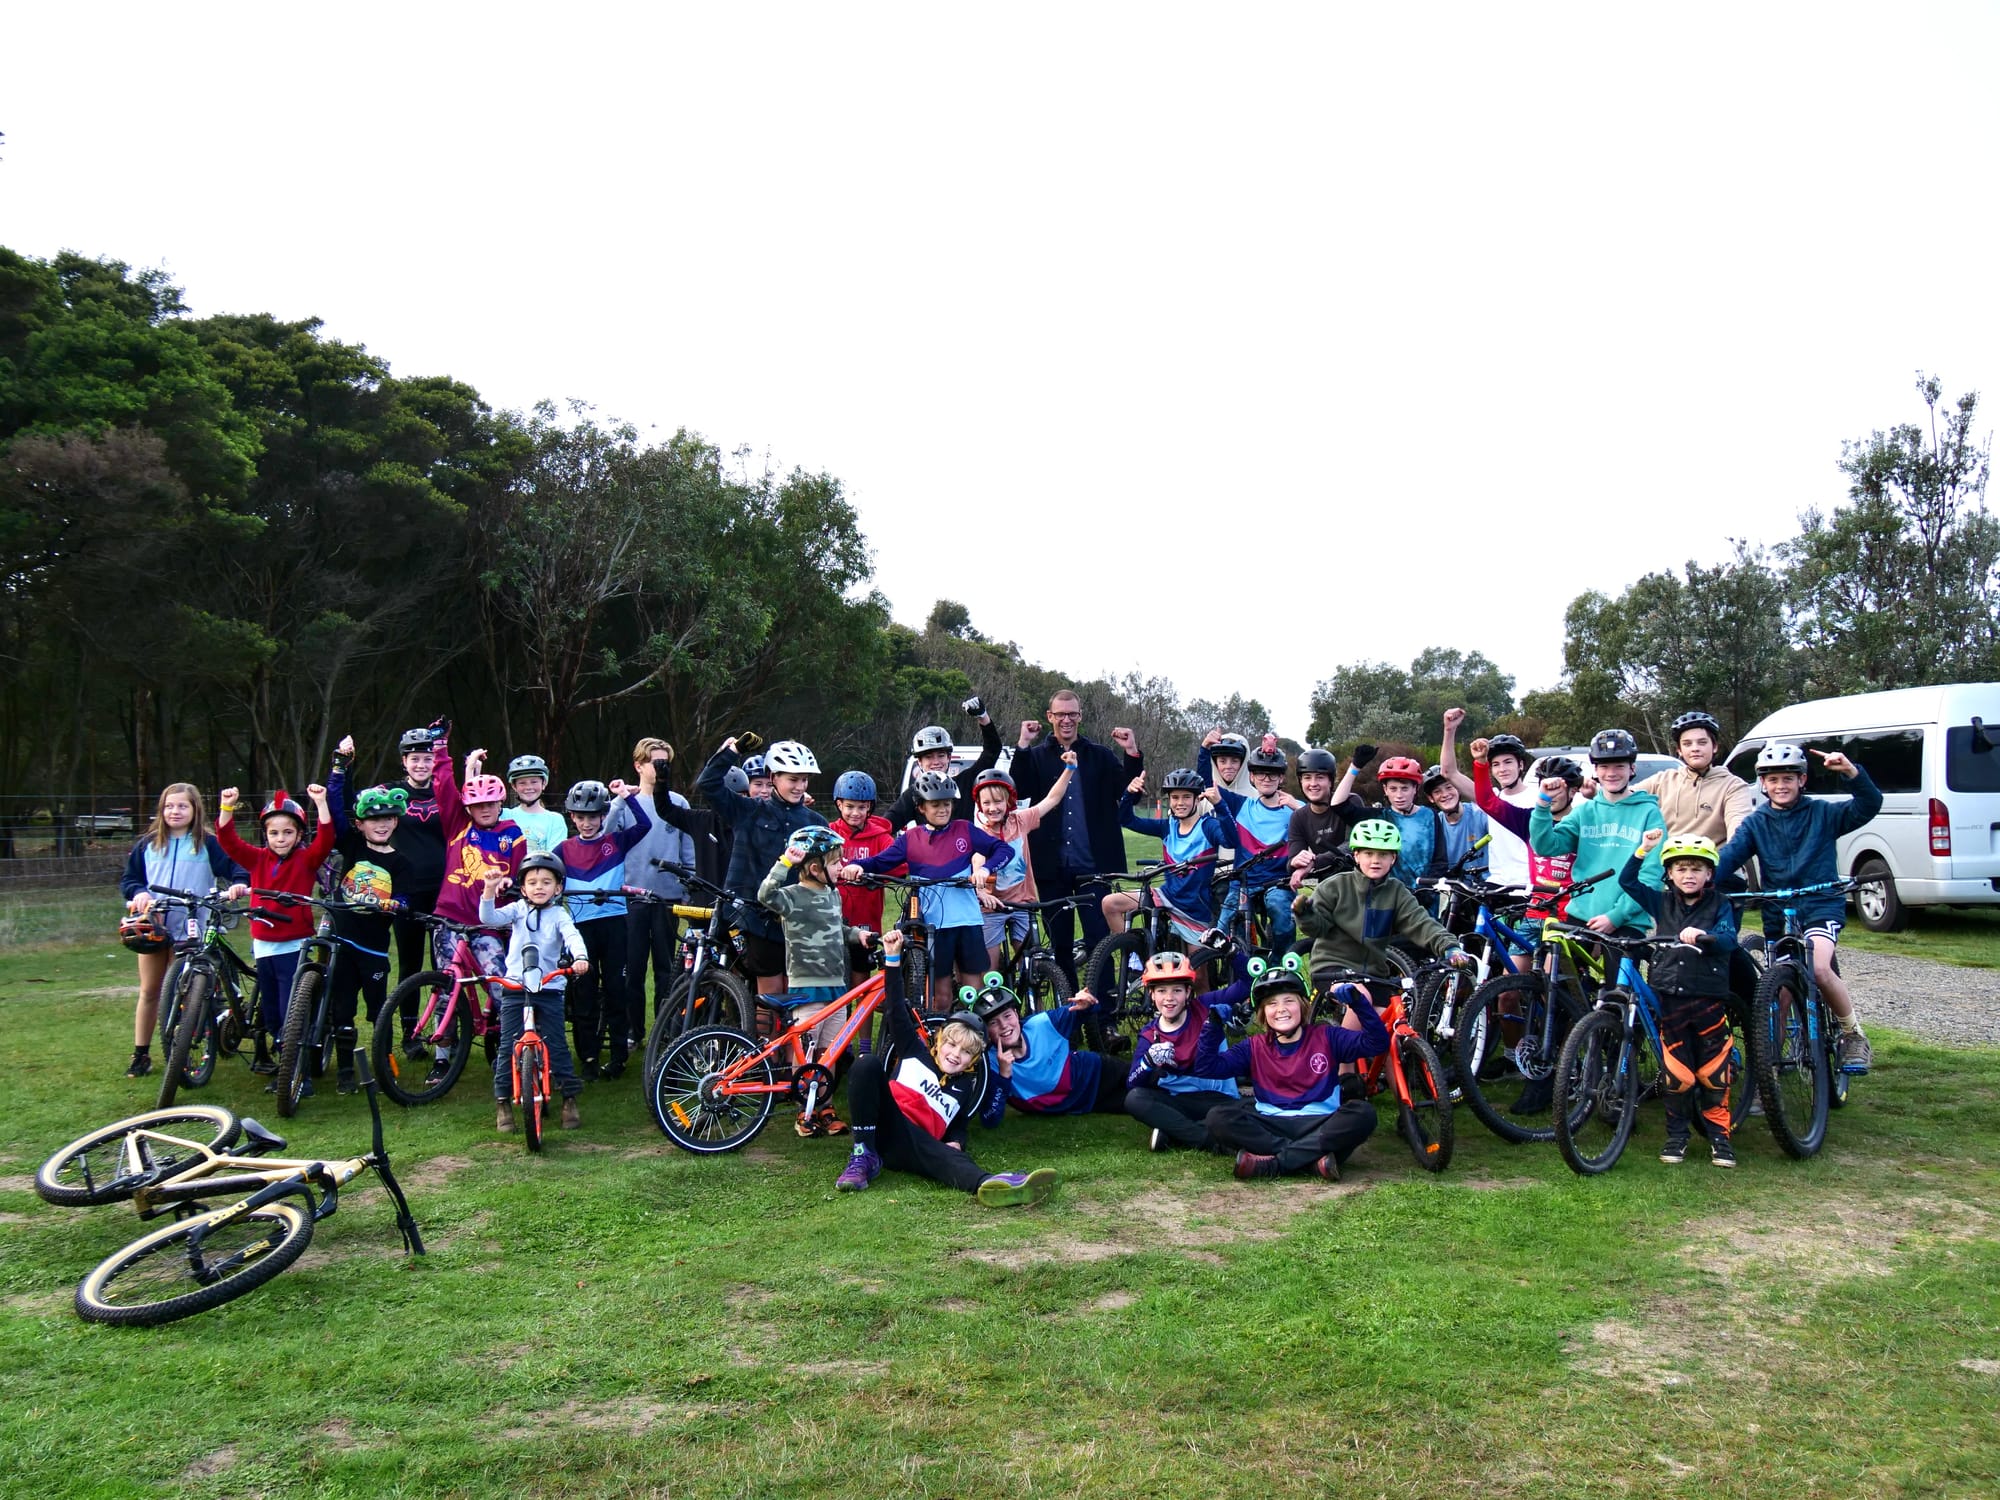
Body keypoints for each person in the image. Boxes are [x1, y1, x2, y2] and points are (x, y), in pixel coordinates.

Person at [833, 928, 1057, 1207]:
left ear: (974, 1061)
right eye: (951, 1046)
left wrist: (957, 1141)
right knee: (867, 1064)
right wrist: (892, 960)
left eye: (965, 1053)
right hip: (883, 1123)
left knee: (947, 1153)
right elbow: (895, 1011)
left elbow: (966, 1123)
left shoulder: (965, 1088)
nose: (955, 1055)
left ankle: (992, 1185)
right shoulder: (915, 1053)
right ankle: (862, 1154)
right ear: (939, 1043)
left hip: (914, 1148)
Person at [1716, 743, 1883, 1073]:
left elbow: (1868, 805)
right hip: (1778, 911)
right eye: (1773, 779)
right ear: (1762, 784)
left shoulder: (1823, 812)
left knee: (1820, 969)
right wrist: (1698, 881)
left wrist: (1851, 772)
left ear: (1802, 780)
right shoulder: (1756, 823)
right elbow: (1729, 857)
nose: (1780, 786)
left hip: (1820, 905)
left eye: (1788, 779)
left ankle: (1852, 1034)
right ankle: (1768, 1073)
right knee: (1777, 993)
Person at [1292, 819, 1470, 1086]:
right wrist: (1304, 913)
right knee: (1358, 994)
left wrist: (1449, 946)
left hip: (1374, 973)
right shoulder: (1335, 886)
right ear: (1356, 856)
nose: (1375, 860)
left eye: (1383, 854)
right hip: (1333, 967)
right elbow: (1317, 927)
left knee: (1393, 1034)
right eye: (1368, 853)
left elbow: (1421, 923)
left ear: (1393, 858)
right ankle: (1344, 1072)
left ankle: (1406, 1108)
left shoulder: (1397, 892)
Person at [1180, 952, 1388, 1180]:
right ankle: (1310, 1160)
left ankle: (1275, 1164)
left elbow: (1376, 1043)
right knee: (1218, 1117)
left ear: (1302, 1005)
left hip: (1319, 1121)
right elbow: (1208, 1068)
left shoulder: (1327, 1036)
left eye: (1289, 1001)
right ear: (1263, 1013)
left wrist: (1359, 1005)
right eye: (1271, 1004)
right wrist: (1213, 1026)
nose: (1281, 1009)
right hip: (1271, 1123)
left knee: (1363, 1114)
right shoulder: (1254, 1046)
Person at [1008, 690, 1144, 986]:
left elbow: (1128, 794)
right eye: (1060, 714)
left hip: (1093, 867)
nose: (1066, 720)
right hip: (1050, 868)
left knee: (1100, 942)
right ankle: (1067, 1008)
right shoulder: (1037, 757)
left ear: (1080, 716)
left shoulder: (1100, 756)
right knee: (1060, 946)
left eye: (1072, 714)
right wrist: (1022, 744)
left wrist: (1131, 753)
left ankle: (1103, 1017)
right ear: (1050, 717)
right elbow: (1018, 786)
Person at [1622, 830, 1742, 1166]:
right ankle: (1677, 1137)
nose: (1688, 875)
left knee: (1714, 1073)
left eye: (1696, 869)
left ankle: (1721, 1139)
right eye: (1681, 869)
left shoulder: (1721, 904)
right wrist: (1643, 849)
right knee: (1678, 1076)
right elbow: (1628, 882)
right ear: (1669, 874)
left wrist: (1705, 937)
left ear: (1708, 874)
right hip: (1670, 997)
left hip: (1707, 997)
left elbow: (1729, 939)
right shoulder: (1661, 901)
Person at [839, 769, 1005, 1005]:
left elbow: (1003, 850)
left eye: (947, 804)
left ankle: (975, 1038)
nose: (943, 809)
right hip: (934, 926)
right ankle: (941, 1039)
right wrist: (856, 866)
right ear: (921, 808)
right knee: (942, 996)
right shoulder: (911, 838)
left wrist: (985, 870)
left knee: (974, 994)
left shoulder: (964, 830)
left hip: (968, 922)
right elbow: (879, 862)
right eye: (935, 804)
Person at [117, 783, 247, 1078]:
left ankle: (187, 1047)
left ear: (195, 810)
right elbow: (130, 880)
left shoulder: (208, 844)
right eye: (169, 806)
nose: (175, 811)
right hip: (154, 925)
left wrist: (238, 884)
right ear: (161, 810)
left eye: (182, 806)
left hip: (192, 926)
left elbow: (236, 867)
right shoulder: (147, 844)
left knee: (189, 990)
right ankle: (141, 1054)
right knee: (150, 990)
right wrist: (139, 893)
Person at [214, 784, 337, 1091]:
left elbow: (326, 839)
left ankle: (299, 1074)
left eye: (288, 833)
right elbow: (227, 841)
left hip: (293, 945)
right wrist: (227, 808)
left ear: (298, 835)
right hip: (263, 946)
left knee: (290, 1013)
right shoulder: (257, 859)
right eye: (274, 833)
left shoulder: (306, 860)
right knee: (270, 1013)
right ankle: (284, 1065)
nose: (280, 839)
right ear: (265, 835)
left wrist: (320, 803)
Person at [697, 736, 829, 1013]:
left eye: (804, 780)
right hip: (758, 920)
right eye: (793, 779)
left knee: (799, 1002)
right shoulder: (749, 811)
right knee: (768, 998)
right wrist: (732, 751)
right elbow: (707, 785)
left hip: (799, 923)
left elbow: (826, 874)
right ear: (773, 777)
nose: (800, 786)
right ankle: (767, 1055)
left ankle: (792, 1056)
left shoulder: (816, 822)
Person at [429, 726, 528, 1081]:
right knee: (445, 987)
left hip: (487, 924)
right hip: (449, 919)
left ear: (500, 803)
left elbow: (521, 876)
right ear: (468, 806)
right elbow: (443, 787)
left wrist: (509, 882)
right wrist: (441, 749)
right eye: (476, 805)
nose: (483, 809)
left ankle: (515, 1051)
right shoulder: (457, 825)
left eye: (490, 804)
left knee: (500, 984)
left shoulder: (513, 833)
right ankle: (442, 1057)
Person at [321, 754, 417, 1093]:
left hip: (374, 949)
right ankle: (346, 1071)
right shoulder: (350, 845)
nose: (381, 823)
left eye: (388, 818)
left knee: (379, 1011)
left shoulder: (402, 862)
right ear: (360, 823)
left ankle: (382, 1063)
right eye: (373, 818)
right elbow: (334, 807)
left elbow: (406, 898)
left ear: (396, 822)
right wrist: (339, 769)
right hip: (342, 942)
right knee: (342, 1009)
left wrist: (399, 903)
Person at [759, 825, 864, 1136]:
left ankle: (825, 1106)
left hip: (836, 985)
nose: (841, 867)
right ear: (816, 868)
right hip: (806, 986)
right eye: (836, 863)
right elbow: (765, 895)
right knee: (807, 1050)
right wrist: (785, 863)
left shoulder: (833, 895)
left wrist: (858, 935)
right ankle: (804, 1110)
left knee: (829, 1051)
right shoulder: (791, 897)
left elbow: (838, 930)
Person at [479, 854, 588, 1132]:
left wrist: (580, 957)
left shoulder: (558, 914)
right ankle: (502, 1101)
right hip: (516, 988)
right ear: (523, 888)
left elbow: (572, 935)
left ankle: (569, 1098)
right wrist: (489, 890)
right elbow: (489, 917)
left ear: (558, 888)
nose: (539, 887)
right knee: (507, 1046)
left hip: (549, 987)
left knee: (557, 1045)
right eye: (532, 882)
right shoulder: (516, 909)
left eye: (547, 882)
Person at [556, 774, 654, 1078]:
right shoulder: (563, 849)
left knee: (616, 990)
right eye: (581, 817)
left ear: (603, 816)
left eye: (593, 817)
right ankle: (587, 1057)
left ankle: (618, 1057)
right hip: (580, 928)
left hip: (614, 924)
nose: (587, 823)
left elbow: (644, 825)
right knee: (583, 992)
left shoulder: (616, 841)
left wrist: (626, 796)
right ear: (572, 817)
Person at [1528, 729, 1666, 937]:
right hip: (1581, 914)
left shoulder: (1649, 813)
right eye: (1604, 766)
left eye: (1619, 765)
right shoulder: (1585, 811)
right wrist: (1543, 803)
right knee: (1559, 969)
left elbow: (1651, 874)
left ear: (1632, 768)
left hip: (1627, 919)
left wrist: (1616, 916)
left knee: (1619, 971)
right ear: (1595, 770)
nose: (1611, 773)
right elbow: (1545, 846)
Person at [1122, 951, 1247, 1152]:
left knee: (1244, 1111)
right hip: (1179, 1102)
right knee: (1135, 1099)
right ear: (1152, 994)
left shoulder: (1204, 1006)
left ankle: (1174, 1132)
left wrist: (1231, 952)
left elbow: (1249, 983)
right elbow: (1132, 1084)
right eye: (1161, 991)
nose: (1169, 999)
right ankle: (1208, 1141)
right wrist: (1147, 1061)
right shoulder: (1149, 1034)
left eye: (1177, 991)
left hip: (1218, 1098)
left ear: (1188, 992)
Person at [1109, 767, 1234, 946]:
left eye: (1186, 797)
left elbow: (1231, 841)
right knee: (1109, 903)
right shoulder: (1168, 826)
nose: (1179, 803)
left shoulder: (1208, 826)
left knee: (1199, 974)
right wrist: (1129, 793)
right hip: (1166, 896)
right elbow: (1126, 820)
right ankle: (1134, 957)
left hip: (1194, 910)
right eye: (1175, 797)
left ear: (1197, 798)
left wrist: (1220, 805)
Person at [972, 755, 1074, 968]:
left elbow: (1052, 799)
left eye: (998, 801)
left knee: (1029, 962)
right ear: (980, 805)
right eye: (987, 803)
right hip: (991, 907)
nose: (993, 808)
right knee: (989, 968)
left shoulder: (1020, 820)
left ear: (1008, 802)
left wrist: (1069, 769)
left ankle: (1029, 995)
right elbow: (978, 862)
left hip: (1023, 902)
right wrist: (981, 888)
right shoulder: (979, 833)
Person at [1211, 735, 1304, 949]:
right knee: (1220, 933)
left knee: (1281, 914)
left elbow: (1320, 826)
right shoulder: (1242, 804)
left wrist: (1299, 810)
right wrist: (1204, 750)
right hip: (1243, 881)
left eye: (1273, 774)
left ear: (1281, 778)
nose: (1267, 779)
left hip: (1278, 882)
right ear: (1252, 777)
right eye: (1261, 773)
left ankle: (1280, 964)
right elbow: (1209, 784)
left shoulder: (1294, 807)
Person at [1470, 746, 1583, 915]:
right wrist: (1480, 762)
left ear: (1573, 791)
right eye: (1545, 788)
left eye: (1556, 789)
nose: (1550, 795)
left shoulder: (1584, 823)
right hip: (1535, 909)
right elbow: (1487, 801)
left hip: (1570, 913)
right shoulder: (1529, 820)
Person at [1436, 712, 1535, 890]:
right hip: (1496, 882)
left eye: (1508, 762)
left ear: (1521, 765)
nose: (1502, 769)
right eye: (1496, 764)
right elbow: (1448, 772)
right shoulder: (1491, 797)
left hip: (1529, 885)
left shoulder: (1537, 798)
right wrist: (1449, 730)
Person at [881, 696, 1004, 830]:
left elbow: (992, 750)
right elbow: (886, 825)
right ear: (919, 762)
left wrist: (982, 716)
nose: (936, 762)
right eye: (929, 757)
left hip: (966, 850)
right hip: (929, 850)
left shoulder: (965, 782)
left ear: (949, 758)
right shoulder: (913, 794)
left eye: (941, 755)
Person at [1639, 711, 1756, 845]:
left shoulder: (1733, 786)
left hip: (1715, 862)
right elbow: (1623, 798)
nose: (1695, 748)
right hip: (1668, 862)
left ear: (1715, 746)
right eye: (1687, 744)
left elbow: (1738, 829)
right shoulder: (1662, 781)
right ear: (1679, 750)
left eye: (1702, 742)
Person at [828, 770, 896, 991]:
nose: (855, 813)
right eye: (849, 806)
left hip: (866, 920)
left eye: (861, 807)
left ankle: (861, 1026)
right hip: (832, 918)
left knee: (861, 986)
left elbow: (896, 864)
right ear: (839, 804)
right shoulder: (829, 833)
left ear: (870, 807)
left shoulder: (881, 838)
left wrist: (871, 874)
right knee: (834, 986)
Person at [1286, 745, 1372, 889]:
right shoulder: (1298, 817)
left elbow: (1352, 845)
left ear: (1331, 781)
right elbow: (1292, 865)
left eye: (1320, 777)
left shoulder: (1350, 802)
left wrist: (1315, 862)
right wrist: (1296, 862)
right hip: (1324, 885)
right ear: (1301, 781)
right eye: (1307, 778)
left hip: (1356, 881)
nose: (1313, 784)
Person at [1368, 756, 1449, 906]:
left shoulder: (1430, 816)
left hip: (1426, 898)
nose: (1399, 795)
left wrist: (1426, 888)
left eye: (1405, 788)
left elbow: (1440, 861)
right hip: (1389, 898)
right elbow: (1340, 807)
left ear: (1415, 789)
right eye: (1393, 789)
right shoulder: (1380, 817)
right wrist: (1355, 767)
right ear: (1385, 790)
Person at [1424, 762, 1491, 876]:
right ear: (1431, 798)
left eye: (1449, 787)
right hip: (1453, 887)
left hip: (1486, 885)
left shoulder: (1479, 814)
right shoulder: (1434, 824)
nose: (1445, 794)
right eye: (1437, 792)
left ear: (1459, 789)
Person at [503, 754, 568, 855]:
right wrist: (471, 769)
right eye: (522, 783)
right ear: (514, 786)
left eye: (534, 782)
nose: (528, 787)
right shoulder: (505, 815)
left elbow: (553, 857)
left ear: (544, 783)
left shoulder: (555, 820)